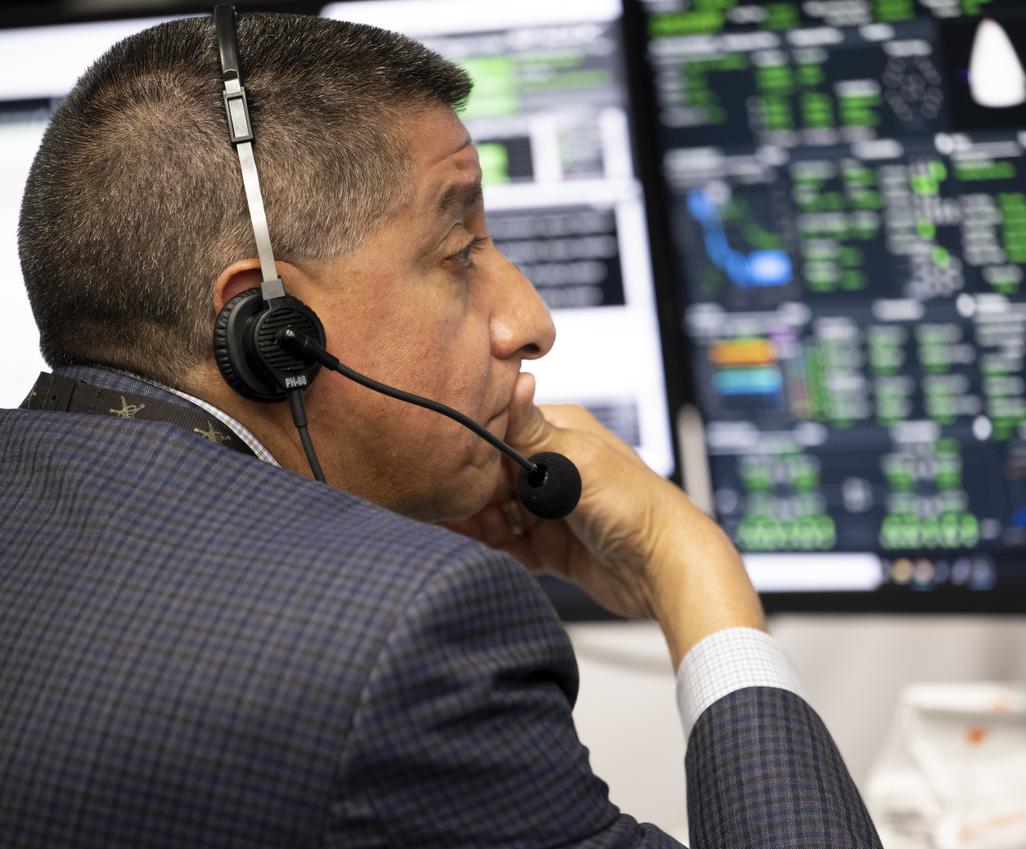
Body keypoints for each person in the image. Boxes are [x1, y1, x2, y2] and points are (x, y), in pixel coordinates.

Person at [0, 11, 882, 848]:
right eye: (460, 252)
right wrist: (690, 567)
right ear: (270, 332)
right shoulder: (406, 632)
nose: (531, 320)